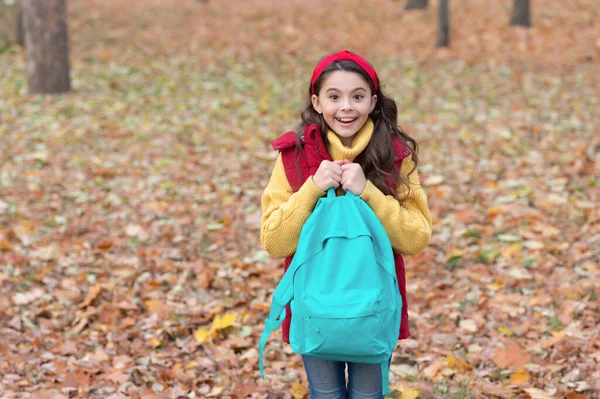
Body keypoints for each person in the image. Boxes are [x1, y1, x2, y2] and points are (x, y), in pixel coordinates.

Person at [260, 50, 432, 399]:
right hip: (315, 305)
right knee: (325, 395)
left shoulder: (395, 157)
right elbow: (274, 242)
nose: (346, 108)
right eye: (334, 97)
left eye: (357, 96)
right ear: (317, 102)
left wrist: (368, 192)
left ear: (373, 100)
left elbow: (415, 238)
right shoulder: (293, 158)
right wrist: (312, 188)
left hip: (373, 305)